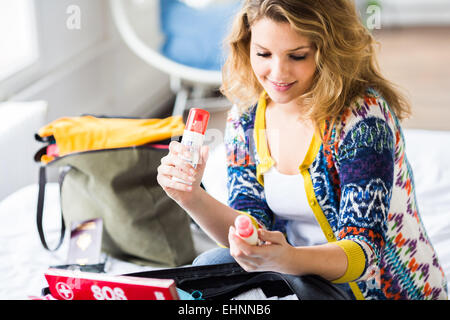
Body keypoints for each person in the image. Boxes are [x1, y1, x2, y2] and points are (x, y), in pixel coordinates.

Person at [156, 0, 448, 300]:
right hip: (290, 267)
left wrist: (285, 259)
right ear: (246, 47)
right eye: (263, 54)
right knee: (207, 267)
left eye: (297, 56)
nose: (278, 72)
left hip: (372, 287)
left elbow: (364, 253)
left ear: (328, 52)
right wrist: (191, 196)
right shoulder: (246, 116)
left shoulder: (363, 121)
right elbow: (250, 225)